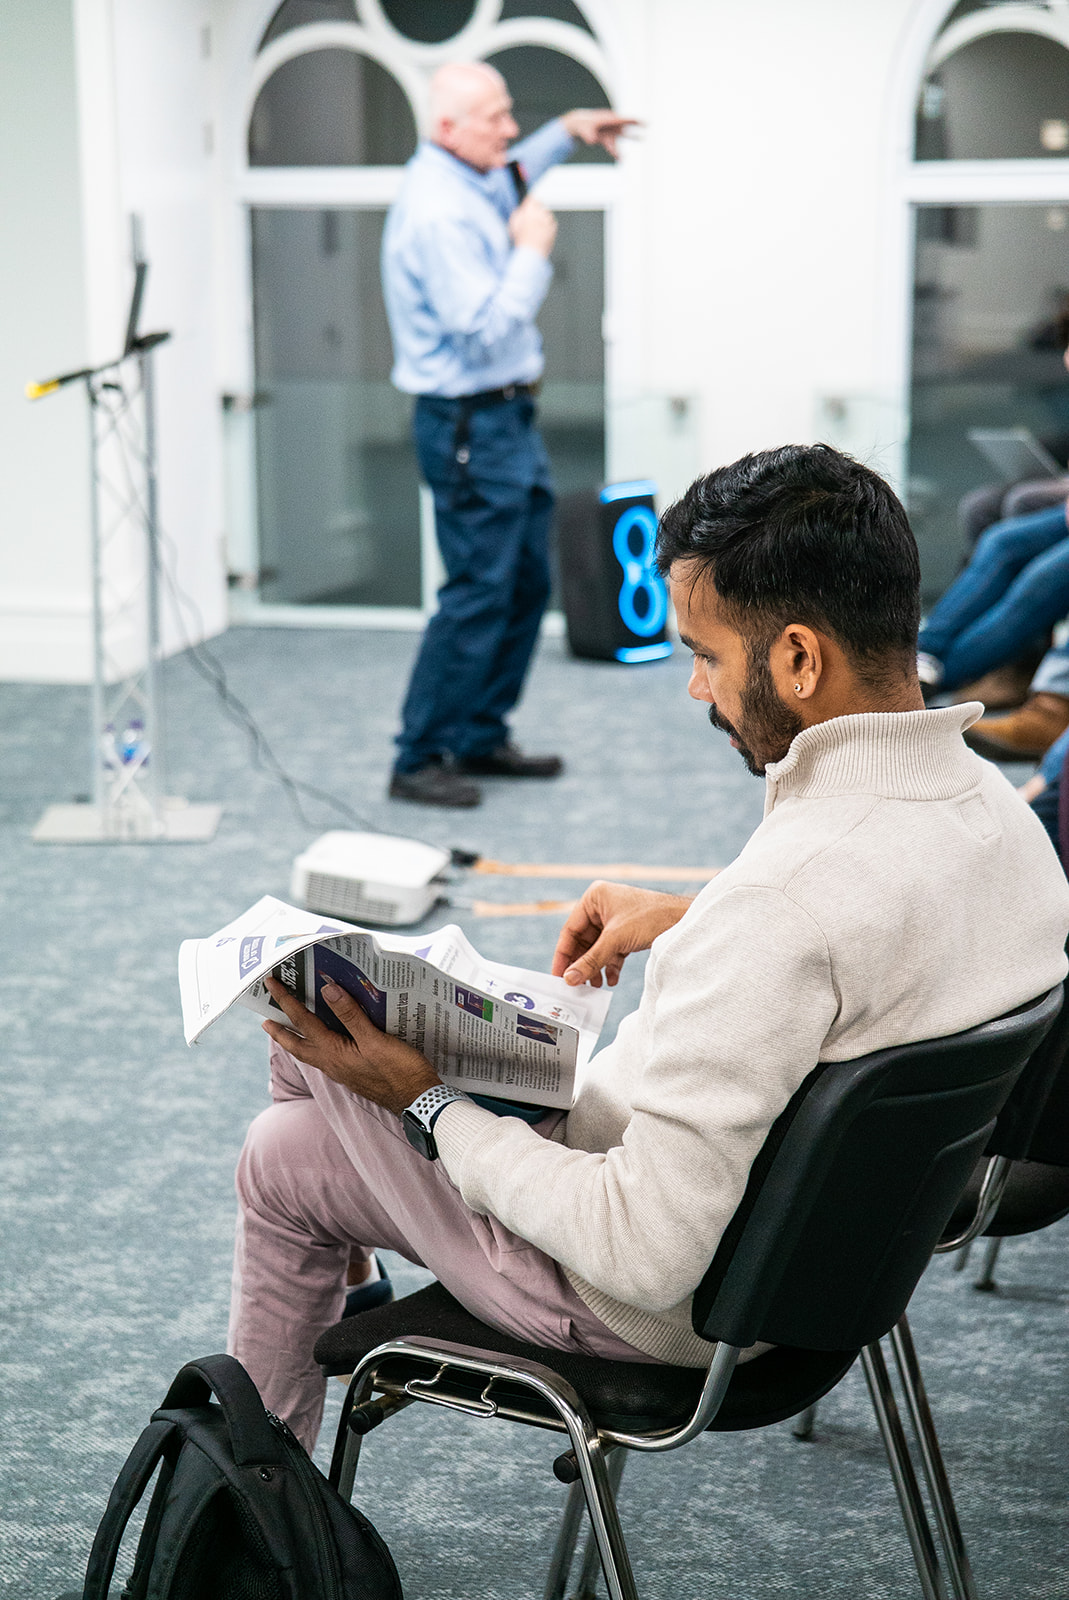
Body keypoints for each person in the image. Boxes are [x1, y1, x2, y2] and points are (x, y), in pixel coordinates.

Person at [227, 444, 1069, 1452]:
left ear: (799, 658)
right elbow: (887, 936)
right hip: (843, 1265)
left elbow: (642, 1250)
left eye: (705, 656)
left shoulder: (784, 904)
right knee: (297, 1136)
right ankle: (282, 1428)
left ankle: (255, 1494)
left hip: (660, 1311)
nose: (697, 691)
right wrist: (695, 915)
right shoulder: (1005, 822)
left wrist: (428, 1104)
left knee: (285, 1126)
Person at [381, 62, 636, 808]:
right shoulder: (438, 213)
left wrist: (571, 132)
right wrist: (531, 251)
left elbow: (514, 168)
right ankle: (418, 756)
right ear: (447, 129)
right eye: (494, 117)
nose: (510, 128)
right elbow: (483, 327)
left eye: (509, 110)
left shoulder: (471, 174)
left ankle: (478, 737)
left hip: (505, 420)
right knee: (476, 593)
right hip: (469, 423)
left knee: (525, 581)